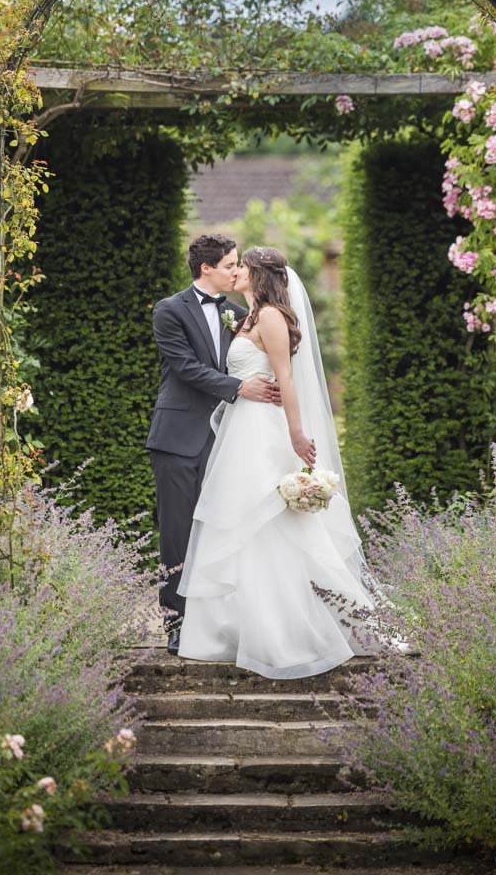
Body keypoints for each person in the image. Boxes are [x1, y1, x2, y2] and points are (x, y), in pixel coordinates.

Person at [177, 246, 396, 680]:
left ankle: (285, 634)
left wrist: (297, 434)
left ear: (261, 275)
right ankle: (236, 629)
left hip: (266, 433)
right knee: (240, 525)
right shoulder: (247, 317)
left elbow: (287, 377)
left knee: (273, 524)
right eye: (233, 265)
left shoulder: (273, 317)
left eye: (243, 267)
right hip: (243, 431)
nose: (236, 271)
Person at [145, 233, 281, 655]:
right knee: (177, 530)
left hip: (229, 439)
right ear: (207, 268)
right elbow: (184, 368)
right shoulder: (168, 311)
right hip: (177, 436)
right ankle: (176, 622)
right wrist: (240, 387)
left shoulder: (239, 314)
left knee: (224, 529)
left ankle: (220, 622)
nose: (237, 272)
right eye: (229, 266)